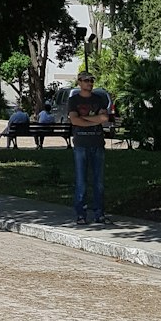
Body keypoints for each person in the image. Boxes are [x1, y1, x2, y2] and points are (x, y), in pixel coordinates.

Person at [67, 72, 111, 225]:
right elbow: (74, 120)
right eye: (86, 80)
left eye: (91, 80)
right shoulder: (73, 100)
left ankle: (99, 213)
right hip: (80, 144)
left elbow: (104, 118)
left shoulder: (99, 99)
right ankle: (81, 213)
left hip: (97, 144)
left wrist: (84, 119)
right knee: (81, 181)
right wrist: (94, 120)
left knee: (98, 181)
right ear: (79, 82)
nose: (89, 83)